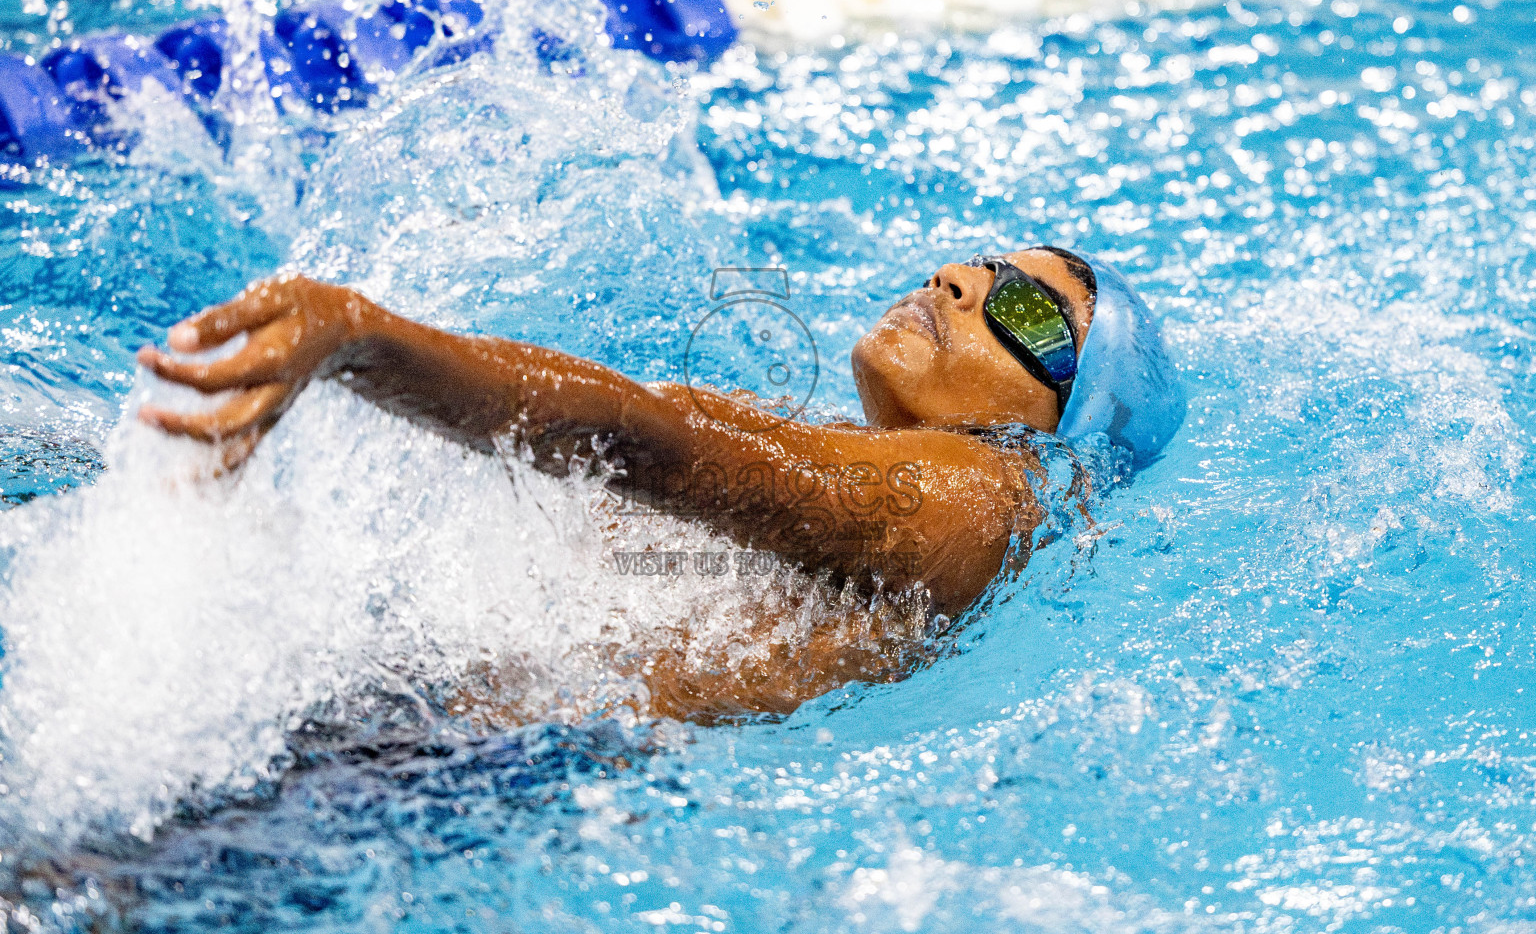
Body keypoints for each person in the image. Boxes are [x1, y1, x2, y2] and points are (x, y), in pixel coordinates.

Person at [136, 246, 1183, 722]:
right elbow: (658, 412)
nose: (959, 279)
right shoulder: (878, 460)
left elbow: (654, 442)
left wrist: (366, 337)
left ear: (1060, 425)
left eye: (1031, 316)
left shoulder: (979, 495)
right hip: (449, 722)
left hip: (454, 767)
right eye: (984, 266)